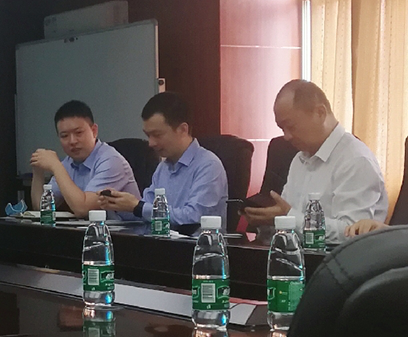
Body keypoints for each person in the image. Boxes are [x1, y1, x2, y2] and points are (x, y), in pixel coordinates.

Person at [243, 80, 387, 244]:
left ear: (320, 113)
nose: (286, 136)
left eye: (291, 126)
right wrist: (267, 220)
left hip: (340, 258)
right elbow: (287, 218)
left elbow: (351, 233)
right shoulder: (299, 159)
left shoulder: (356, 161)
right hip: (297, 253)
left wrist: (287, 216)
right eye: (282, 129)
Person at [100, 92, 228, 229]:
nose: (151, 143)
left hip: (198, 242)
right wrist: (118, 203)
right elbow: (144, 213)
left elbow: (193, 218)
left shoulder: (208, 166)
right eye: (148, 135)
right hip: (161, 240)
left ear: (182, 129)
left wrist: (138, 207)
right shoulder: (163, 168)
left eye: (157, 135)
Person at [30, 100, 140, 218]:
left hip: (124, 229)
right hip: (91, 228)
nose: (72, 141)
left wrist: (56, 167)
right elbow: (41, 208)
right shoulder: (67, 163)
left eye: (78, 133)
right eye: (64, 136)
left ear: (94, 131)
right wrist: (38, 171)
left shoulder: (111, 161)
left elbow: (83, 209)